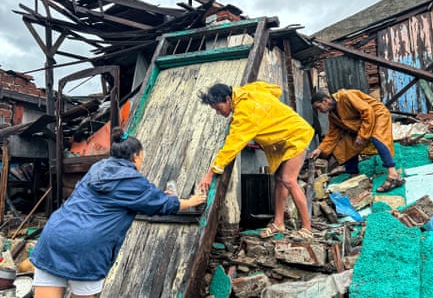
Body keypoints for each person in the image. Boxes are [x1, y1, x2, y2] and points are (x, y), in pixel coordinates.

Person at [30, 127, 206, 298]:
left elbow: (129, 196)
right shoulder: (132, 179)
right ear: (136, 156)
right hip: (85, 248)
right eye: (142, 157)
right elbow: (161, 204)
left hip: (54, 235)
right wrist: (191, 201)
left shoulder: (97, 168)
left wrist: (157, 196)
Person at [198, 81, 315, 240]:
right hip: (287, 137)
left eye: (219, 108)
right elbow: (276, 90)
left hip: (296, 136)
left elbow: (231, 147)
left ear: (227, 99)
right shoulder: (249, 90)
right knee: (279, 179)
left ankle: (307, 228)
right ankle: (278, 223)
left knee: (288, 179)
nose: (218, 113)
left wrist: (210, 173)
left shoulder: (244, 113)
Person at [309, 89, 404, 192]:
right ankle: (354, 174)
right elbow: (332, 135)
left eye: (318, 107)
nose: (319, 111)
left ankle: (393, 175)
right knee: (348, 145)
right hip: (361, 123)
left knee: (377, 138)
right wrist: (319, 149)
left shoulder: (346, 96)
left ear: (325, 101)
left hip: (377, 115)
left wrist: (363, 134)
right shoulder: (332, 116)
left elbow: (367, 111)